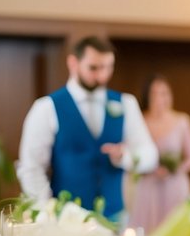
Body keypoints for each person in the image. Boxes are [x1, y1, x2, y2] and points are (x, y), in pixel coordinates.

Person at [17, 36, 158, 222]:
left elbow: (150, 155)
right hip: (65, 219)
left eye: (108, 67)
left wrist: (125, 157)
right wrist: (47, 211)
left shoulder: (126, 104)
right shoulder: (46, 108)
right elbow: (31, 167)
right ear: (73, 63)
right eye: (94, 68)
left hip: (114, 216)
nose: (102, 76)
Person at [129, 74, 190, 234]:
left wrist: (173, 169)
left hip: (175, 186)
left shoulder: (182, 121)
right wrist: (147, 168)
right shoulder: (140, 120)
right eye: (155, 93)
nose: (160, 98)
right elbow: (133, 154)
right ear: (147, 96)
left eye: (164, 93)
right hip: (148, 186)